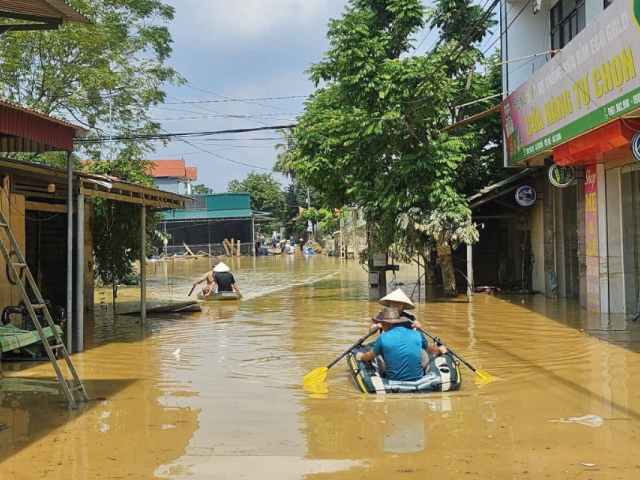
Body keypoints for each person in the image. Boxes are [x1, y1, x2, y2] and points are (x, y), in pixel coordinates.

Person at [356, 307, 447, 382]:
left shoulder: (382, 338)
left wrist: (361, 357)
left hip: (393, 382)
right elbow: (433, 349)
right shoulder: (417, 334)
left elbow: (369, 357)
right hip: (418, 380)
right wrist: (441, 350)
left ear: (385, 323)